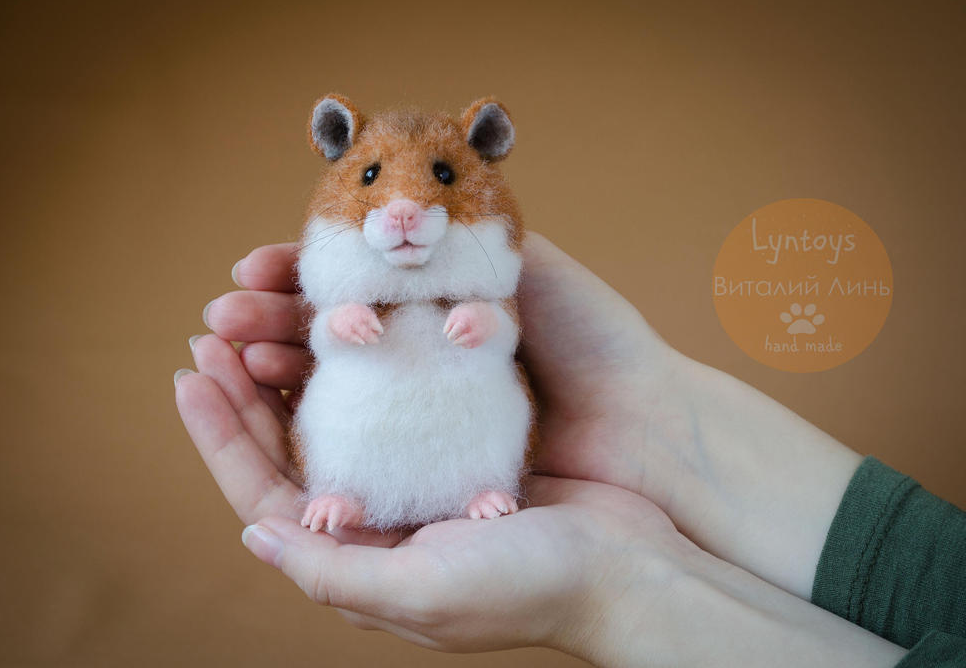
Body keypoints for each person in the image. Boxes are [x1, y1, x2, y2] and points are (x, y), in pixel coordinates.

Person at [174, 233, 965, 667]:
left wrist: (611, 590)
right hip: (361, 454)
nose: (406, 213)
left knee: (491, 417)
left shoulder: (481, 268)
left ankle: (477, 488)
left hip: (471, 449)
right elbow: (326, 346)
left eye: (439, 180)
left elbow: (499, 337)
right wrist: (339, 324)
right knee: (335, 421)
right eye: (375, 179)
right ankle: (346, 492)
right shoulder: (339, 270)